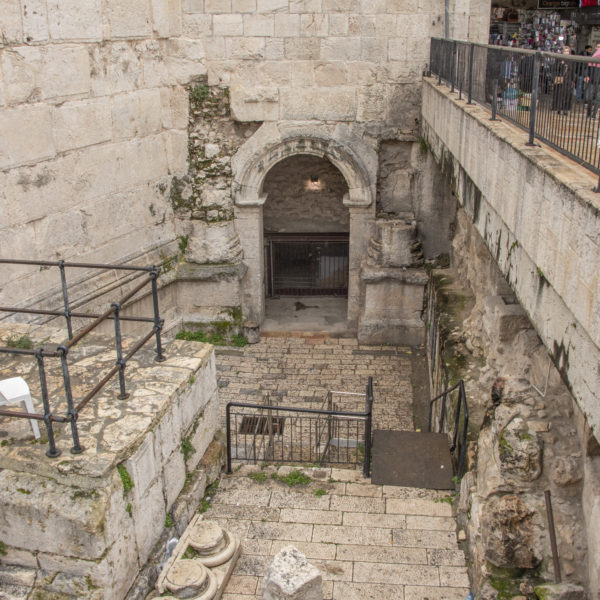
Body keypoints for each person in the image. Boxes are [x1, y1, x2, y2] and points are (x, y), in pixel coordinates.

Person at [552, 46, 574, 115]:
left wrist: (573, 80)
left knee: (567, 95)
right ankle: (558, 108)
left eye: (567, 51)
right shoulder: (559, 59)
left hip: (568, 80)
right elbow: (555, 68)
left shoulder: (571, 60)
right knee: (559, 94)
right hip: (560, 79)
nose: (566, 53)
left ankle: (565, 109)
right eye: (565, 51)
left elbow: (573, 71)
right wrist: (561, 64)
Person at [587, 43, 600, 119]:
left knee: (597, 98)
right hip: (592, 80)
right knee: (590, 97)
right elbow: (588, 68)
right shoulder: (592, 57)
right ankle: (588, 113)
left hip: (599, 82)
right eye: (598, 47)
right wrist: (587, 76)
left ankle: (594, 115)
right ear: (595, 47)